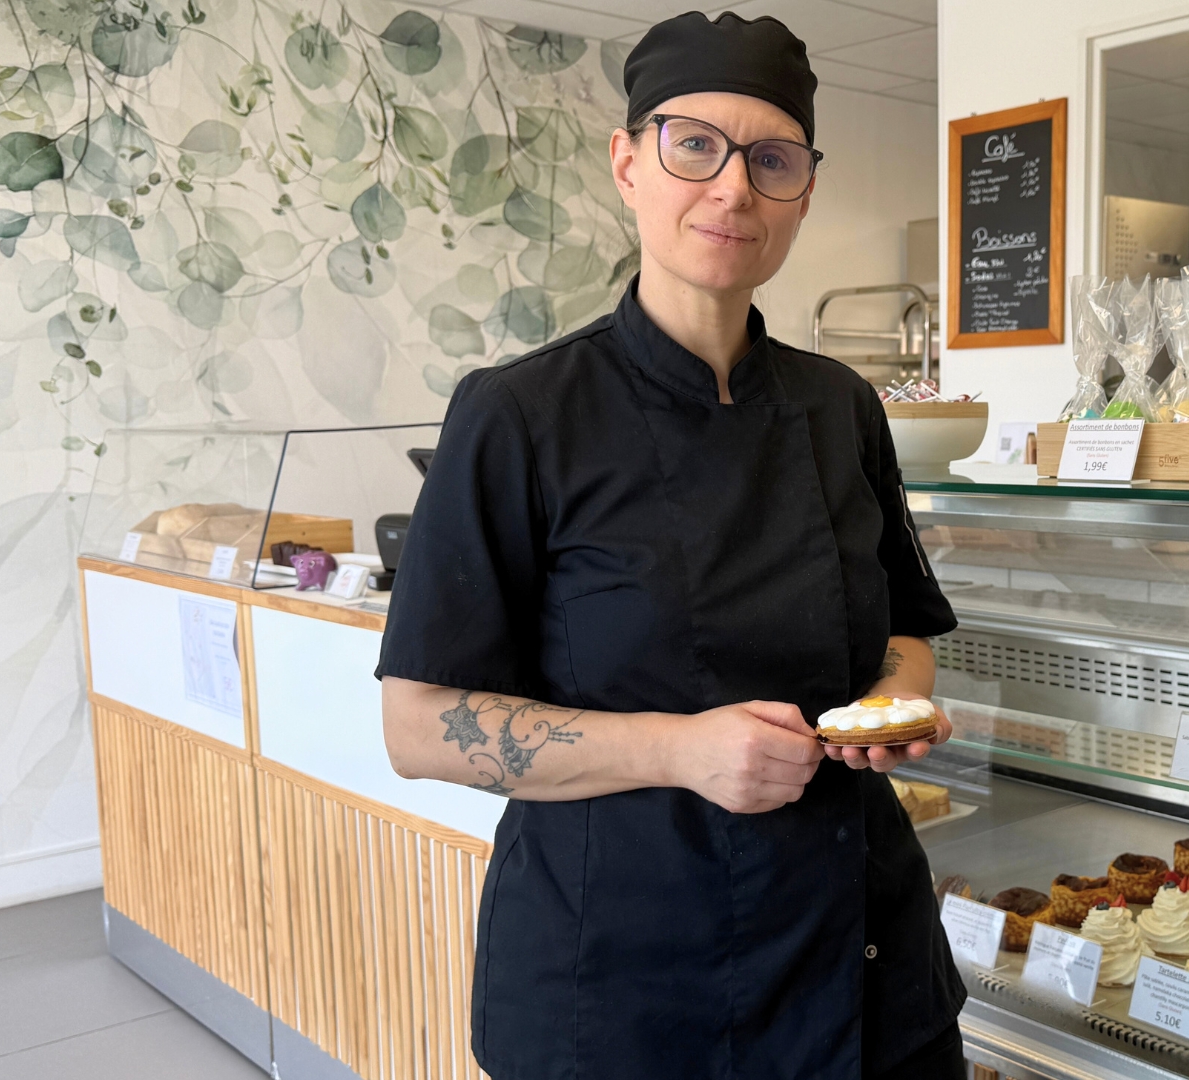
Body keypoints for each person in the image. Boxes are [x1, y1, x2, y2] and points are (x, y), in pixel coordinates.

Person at [375, 12, 966, 1080]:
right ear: (629, 162)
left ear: (804, 190)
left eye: (773, 159)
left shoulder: (843, 407)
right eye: (696, 144)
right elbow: (419, 728)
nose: (734, 187)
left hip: (861, 963)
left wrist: (885, 711)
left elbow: (907, 640)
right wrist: (682, 750)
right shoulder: (517, 415)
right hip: (626, 986)